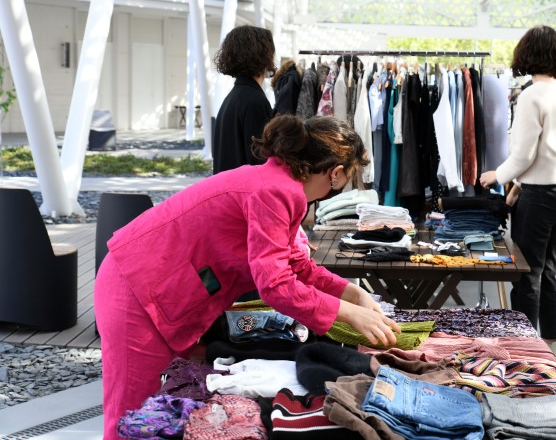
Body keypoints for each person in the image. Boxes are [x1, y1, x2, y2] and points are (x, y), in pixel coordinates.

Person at [94, 115, 401, 439]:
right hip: (136, 285)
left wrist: (354, 295)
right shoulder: (277, 190)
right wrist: (348, 312)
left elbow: (297, 266)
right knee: (132, 419)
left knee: (158, 412)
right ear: (336, 174)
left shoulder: (281, 183)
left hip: (152, 283)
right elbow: (276, 285)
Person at [479, 25, 556, 356]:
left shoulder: (531, 95)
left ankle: (523, 349)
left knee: (526, 273)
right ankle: (550, 339)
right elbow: (550, 146)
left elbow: (524, 153)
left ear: (526, 53)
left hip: (542, 194)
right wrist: (519, 185)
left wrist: (498, 175)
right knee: (545, 267)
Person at [212, 25, 276, 174]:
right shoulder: (254, 101)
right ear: (263, 55)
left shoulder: (235, 97)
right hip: (244, 195)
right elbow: (260, 163)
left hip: (229, 191)